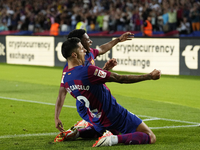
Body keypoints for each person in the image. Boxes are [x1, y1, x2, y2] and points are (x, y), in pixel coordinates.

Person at [54, 37, 161, 147]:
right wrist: (149, 76)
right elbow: (119, 78)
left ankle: (78, 133)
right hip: (113, 114)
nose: (85, 50)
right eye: (81, 49)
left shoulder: (66, 78)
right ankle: (112, 140)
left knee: (109, 129)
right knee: (150, 136)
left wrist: (104, 69)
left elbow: (91, 84)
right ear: (74, 55)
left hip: (96, 118)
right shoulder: (88, 70)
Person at [55, 29, 134, 133]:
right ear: (80, 43)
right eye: (87, 40)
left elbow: (102, 49)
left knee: (112, 129)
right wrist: (56, 117)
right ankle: (86, 125)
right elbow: (62, 94)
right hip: (87, 106)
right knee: (110, 131)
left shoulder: (90, 53)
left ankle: (84, 129)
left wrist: (118, 40)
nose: (91, 41)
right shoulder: (69, 69)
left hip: (99, 98)